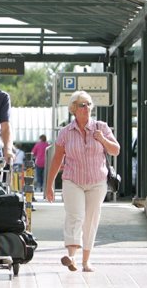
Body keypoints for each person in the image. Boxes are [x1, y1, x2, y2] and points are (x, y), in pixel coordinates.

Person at [45, 90, 120, 273]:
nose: (86, 108)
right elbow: (57, 159)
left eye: (88, 104)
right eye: (82, 105)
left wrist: (102, 139)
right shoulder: (65, 132)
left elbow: (115, 150)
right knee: (75, 216)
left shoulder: (101, 127)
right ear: (73, 109)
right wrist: (49, 185)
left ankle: (86, 262)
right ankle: (71, 257)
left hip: (97, 181)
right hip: (73, 181)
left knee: (91, 220)